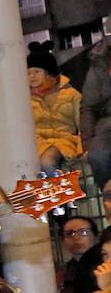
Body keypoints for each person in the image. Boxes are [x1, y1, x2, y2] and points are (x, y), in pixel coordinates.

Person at [28, 41, 82, 176]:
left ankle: (59, 195)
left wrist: (82, 149)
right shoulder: (23, 99)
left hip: (63, 142)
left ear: (49, 73)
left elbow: (84, 125)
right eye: (28, 72)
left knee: (47, 162)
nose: (31, 76)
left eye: (37, 71)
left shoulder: (71, 95)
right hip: (34, 144)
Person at [78, 22, 111, 189]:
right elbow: (88, 108)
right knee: (98, 154)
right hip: (107, 124)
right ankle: (108, 194)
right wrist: (87, 145)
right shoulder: (99, 63)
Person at [58, 216, 101, 293]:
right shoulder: (63, 275)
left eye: (84, 232)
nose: (76, 238)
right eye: (70, 233)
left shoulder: (104, 269)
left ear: (96, 237)